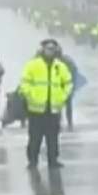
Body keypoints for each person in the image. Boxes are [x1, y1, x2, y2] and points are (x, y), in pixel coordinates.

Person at [18, 38, 74, 168]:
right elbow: (24, 82)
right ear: (43, 50)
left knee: (53, 137)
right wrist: (30, 96)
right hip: (36, 109)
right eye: (48, 49)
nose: (50, 51)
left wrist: (63, 97)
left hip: (53, 109)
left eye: (53, 49)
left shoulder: (60, 66)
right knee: (35, 137)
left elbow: (68, 83)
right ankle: (32, 161)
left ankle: (53, 160)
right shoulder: (33, 65)